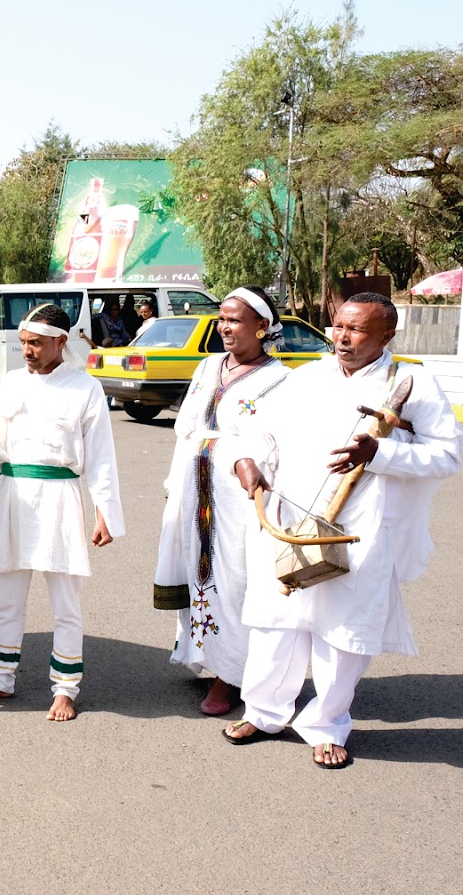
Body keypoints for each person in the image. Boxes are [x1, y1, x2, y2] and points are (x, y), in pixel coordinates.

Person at [222, 292, 460, 768]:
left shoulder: (410, 383)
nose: (342, 338)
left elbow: (448, 454)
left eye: (357, 330)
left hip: (361, 528)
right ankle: (264, 713)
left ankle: (327, 726)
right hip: (292, 521)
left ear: (387, 336)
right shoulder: (306, 377)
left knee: (343, 631)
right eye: (338, 327)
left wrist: (381, 454)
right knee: (275, 622)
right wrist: (245, 460)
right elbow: (261, 433)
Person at [0, 303, 123, 722]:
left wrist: (105, 512)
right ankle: (1, 677)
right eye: (23, 342)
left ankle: (65, 688)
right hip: (10, 495)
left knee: (65, 603)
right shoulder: (12, 383)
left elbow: (102, 458)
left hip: (59, 499)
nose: (27, 350)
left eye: (35, 343)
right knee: (8, 600)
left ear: (60, 342)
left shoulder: (85, 388)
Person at [153, 287, 289, 715]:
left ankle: (230, 676)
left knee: (235, 580)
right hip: (194, 488)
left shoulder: (280, 379)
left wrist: (236, 458)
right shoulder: (209, 365)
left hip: (237, 496)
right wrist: (175, 483)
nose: (224, 327)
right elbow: (188, 428)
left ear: (262, 326)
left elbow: (271, 442)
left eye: (234, 320)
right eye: (221, 320)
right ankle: (203, 656)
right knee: (197, 571)